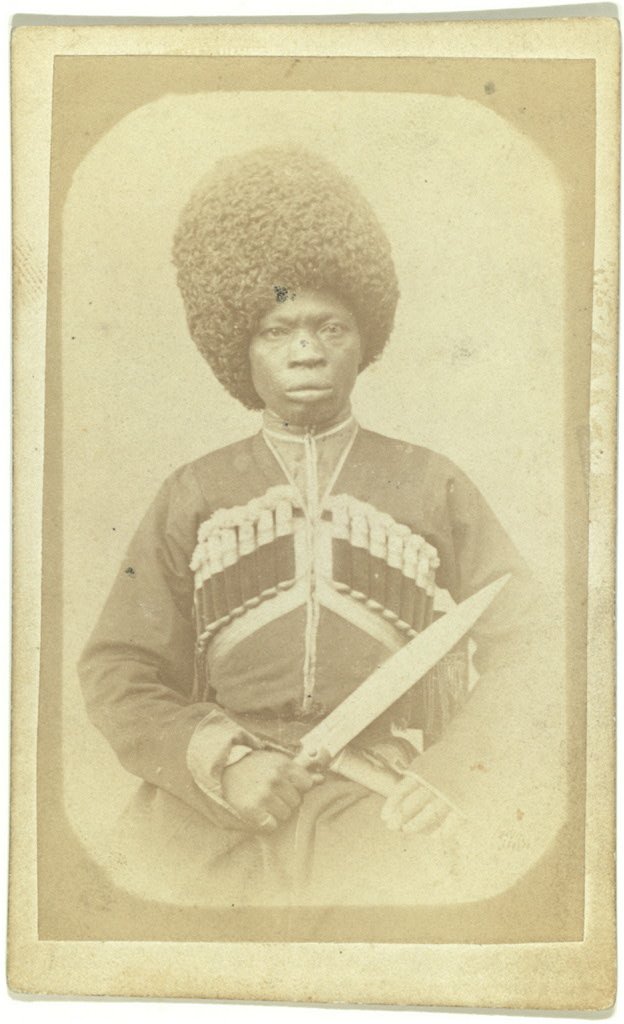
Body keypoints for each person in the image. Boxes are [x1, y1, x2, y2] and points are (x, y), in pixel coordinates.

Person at [78, 148, 565, 906]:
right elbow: (119, 671)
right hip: (213, 818)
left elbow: (543, 648)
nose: (306, 350)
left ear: (365, 339)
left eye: (329, 326)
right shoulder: (193, 493)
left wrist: (455, 773)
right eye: (278, 330)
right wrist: (223, 761)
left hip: (388, 812)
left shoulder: (430, 482)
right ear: (240, 346)